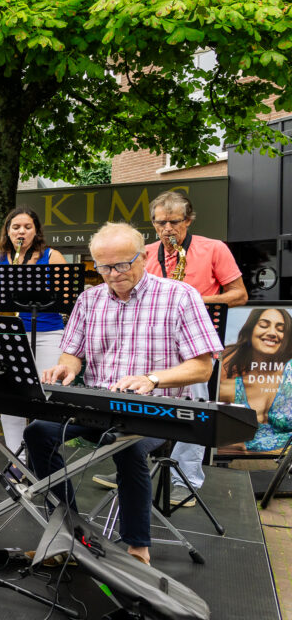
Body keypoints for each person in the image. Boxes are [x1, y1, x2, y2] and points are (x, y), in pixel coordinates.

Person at [25, 222, 222, 565]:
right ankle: (70, 531)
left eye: (121, 264)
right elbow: (71, 352)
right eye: (103, 267)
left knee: (126, 446)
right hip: (100, 405)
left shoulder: (179, 296)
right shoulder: (89, 299)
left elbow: (202, 367)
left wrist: (153, 379)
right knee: (37, 432)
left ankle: (137, 549)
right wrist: (67, 368)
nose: (113, 275)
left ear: (143, 257)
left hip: (158, 411)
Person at [93, 190, 247, 504]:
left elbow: (239, 294)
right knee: (133, 407)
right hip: (149, 342)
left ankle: (185, 481)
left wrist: (190, 299)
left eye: (174, 222)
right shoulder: (145, 252)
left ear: (188, 221)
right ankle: (129, 466)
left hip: (194, 345)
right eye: (160, 222)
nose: (167, 229)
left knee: (193, 411)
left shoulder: (213, 249)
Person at [0, 207, 66, 475]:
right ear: (8, 230)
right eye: (16, 227)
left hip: (48, 333)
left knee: (46, 396)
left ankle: (43, 460)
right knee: (11, 397)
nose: (21, 231)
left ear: (36, 230)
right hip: (10, 334)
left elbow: (64, 296)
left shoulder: (52, 256)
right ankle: (17, 460)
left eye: (27, 226)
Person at [218, 308, 292, 453]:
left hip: (284, 465)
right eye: (264, 325)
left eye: (281, 329)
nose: (272, 333)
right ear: (250, 330)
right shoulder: (229, 385)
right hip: (237, 466)